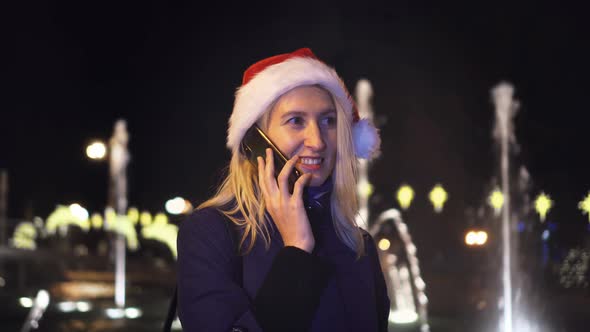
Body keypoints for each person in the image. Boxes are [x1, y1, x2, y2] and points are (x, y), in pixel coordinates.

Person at [177, 48, 389, 332]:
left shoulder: (358, 243)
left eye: (328, 121)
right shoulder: (211, 232)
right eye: (295, 121)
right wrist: (297, 251)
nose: (317, 141)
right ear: (255, 139)